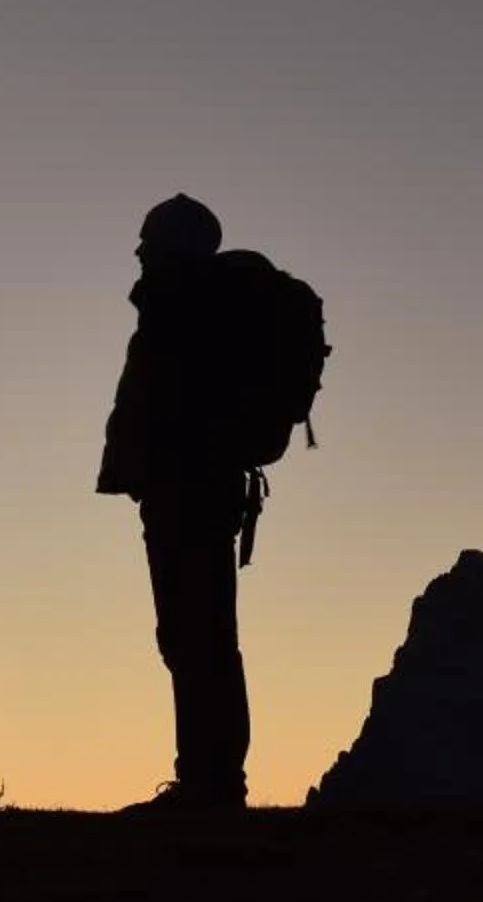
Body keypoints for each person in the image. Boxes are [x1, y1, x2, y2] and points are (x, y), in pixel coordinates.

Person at [96, 194, 325, 811]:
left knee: (196, 635)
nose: (139, 251)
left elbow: (163, 402)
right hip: (202, 484)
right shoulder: (204, 303)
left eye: (149, 239)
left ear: (175, 243)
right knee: (200, 634)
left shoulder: (183, 305)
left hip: (187, 485)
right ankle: (210, 780)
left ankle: (212, 785)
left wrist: (147, 465)